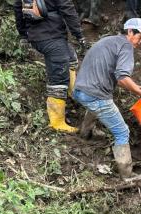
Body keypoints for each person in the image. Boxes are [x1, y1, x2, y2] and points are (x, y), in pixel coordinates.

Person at [72, 18, 141, 179]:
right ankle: (127, 175)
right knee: (122, 131)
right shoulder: (126, 47)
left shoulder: (110, 41)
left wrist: (137, 88)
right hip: (95, 94)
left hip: (80, 90)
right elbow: (122, 78)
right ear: (130, 32)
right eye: (140, 37)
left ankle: (85, 133)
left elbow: (117, 73)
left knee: (95, 105)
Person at [14, 0, 87, 133]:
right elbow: (67, 9)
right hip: (50, 35)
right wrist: (79, 35)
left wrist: (23, 34)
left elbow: (18, 9)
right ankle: (57, 122)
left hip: (38, 35)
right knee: (59, 77)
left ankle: (74, 93)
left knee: (71, 59)